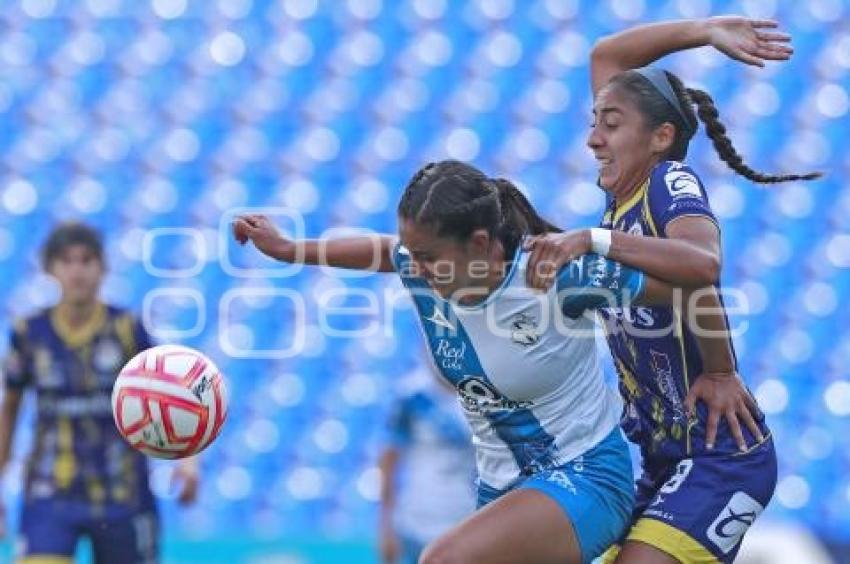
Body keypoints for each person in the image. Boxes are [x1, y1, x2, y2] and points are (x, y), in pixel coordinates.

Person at [233, 159, 719, 564]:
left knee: (441, 561)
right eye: (411, 255)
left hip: (586, 477)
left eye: (425, 256)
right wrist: (288, 249)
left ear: (482, 244)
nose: (413, 268)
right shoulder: (423, 268)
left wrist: (720, 372)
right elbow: (384, 252)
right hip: (500, 490)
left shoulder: (553, 275)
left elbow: (694, 283)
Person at [523, 17, 821, 564]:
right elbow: (605, 53)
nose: (592, 137)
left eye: (609, 124)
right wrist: (705, 30)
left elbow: (702, 265)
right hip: (664, 459)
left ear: (660, 137)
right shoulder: (624, 203)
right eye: (594, 122)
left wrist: (722, 370)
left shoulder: (666, 181)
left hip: (721, 458)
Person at [0, 222, 200, 564]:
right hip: (51, 493)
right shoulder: (29, 334)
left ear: (102, 267)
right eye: (67, 261)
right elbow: (10, 411)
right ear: (51, 269)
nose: (77, 271)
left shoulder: (126, 330)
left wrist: (188, 460)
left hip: (123, 493)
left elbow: (172, 395)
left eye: (87, 260)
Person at [378, 368, 476, 564]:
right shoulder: (412, 395)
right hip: (416, 521)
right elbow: (389, 459)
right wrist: (385, 526)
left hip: (468, 517)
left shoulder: (485, 392)